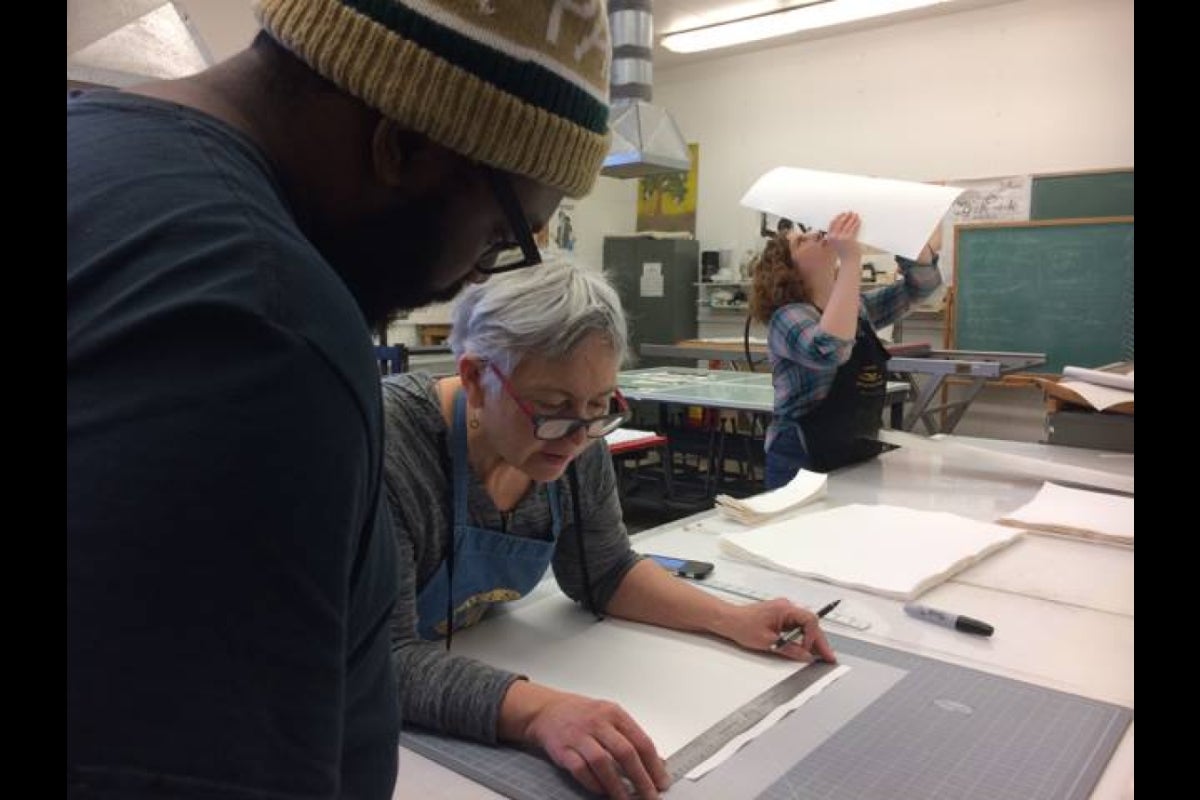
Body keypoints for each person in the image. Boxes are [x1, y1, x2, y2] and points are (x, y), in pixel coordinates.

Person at [67, 2, 613, 797]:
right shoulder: (261, 323)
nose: (473, 275)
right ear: (402, 143)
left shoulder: (104, 160)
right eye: (500, 233)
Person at [381, 261, 837, 800]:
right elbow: (380, 660)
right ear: (478, 378)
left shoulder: (575, 441)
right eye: (552, 407)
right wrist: (540, 711)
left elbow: (606, 571)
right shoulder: (386, 448)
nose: (578, 436)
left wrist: (733, 618)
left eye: (600, 406)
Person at [750, 213, 943, 487]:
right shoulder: (787, 318)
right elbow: (830, 350)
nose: (816, 234)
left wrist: (911, 243)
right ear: (787, 268)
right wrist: (852, 260)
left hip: (857, 450)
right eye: (801, 241)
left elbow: (923, 289)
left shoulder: (858, 309)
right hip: (801, 459)